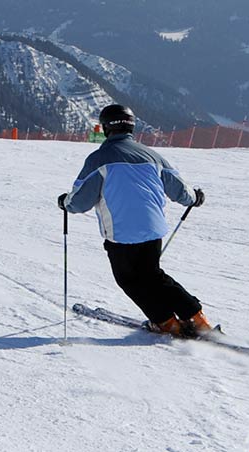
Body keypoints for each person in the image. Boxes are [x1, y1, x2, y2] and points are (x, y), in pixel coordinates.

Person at [58, 103, 210, 337]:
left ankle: (167, 323)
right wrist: (195, 198)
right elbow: (181, 192)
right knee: (154, 276)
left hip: (121, 234)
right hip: (153, 230)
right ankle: (197, 318)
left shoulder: (99, 158)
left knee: (130, 280)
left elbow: (79, 202)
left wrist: (65, 203)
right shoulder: (153, 156)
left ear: (107, 128)